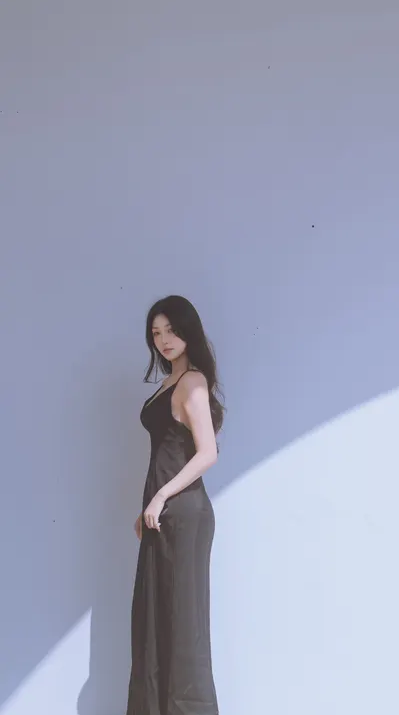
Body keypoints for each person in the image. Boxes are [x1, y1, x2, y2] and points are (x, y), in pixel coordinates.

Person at [126, 295, 223, 715]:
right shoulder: (169, 383)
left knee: (183, 627)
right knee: (154, 619)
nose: (163, 339)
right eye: (156, 332)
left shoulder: (193, 382)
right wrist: (149, 507)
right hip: (162, 516)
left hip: (184, 514)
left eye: (170, 330)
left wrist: (161, 495)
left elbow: (208, 453)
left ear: (188, 330)